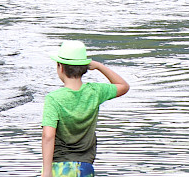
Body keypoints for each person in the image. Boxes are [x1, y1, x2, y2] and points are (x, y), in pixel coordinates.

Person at [41, 40, 129, 177]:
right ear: (85, 68)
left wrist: (46, 173)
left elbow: (48, 135)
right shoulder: (95, 92)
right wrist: (99, 66)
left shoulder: (53, 98)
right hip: (85, 168)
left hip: (57, 168)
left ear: (61, 68)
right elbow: (123, 86)